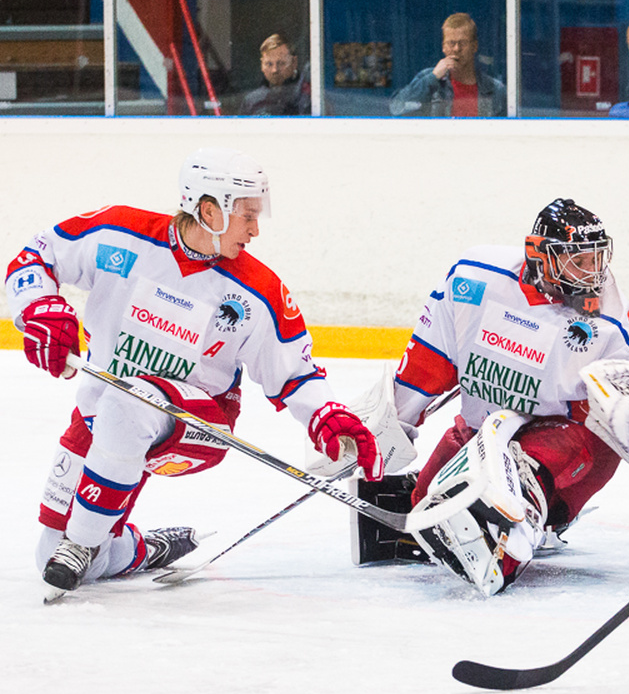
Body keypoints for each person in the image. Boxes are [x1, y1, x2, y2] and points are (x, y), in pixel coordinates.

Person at [5, 147, 382, 598]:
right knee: (48, 551)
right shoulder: (119, 234)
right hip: (102, 413)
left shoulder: (258, 290)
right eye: (246, 216)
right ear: (209, 210)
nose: (256, 230)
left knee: (130, 402)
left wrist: (326, 416)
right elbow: (35, 257)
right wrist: (40, 308)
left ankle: (82, 543)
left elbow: (295, 373)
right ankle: (140, 549)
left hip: (197, 423)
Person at [315, 199, 629, 596]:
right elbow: (430, 361)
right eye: (576, 260)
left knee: (504, 497)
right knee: (428, 505)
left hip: (565, 444)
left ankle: (536, 516)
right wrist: (390, 427)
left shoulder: (610, 316)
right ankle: (468, 503)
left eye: (595, 259)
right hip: (483, 429)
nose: (590, 272)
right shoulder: (476, 276)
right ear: (538, 254)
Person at [389, 13, 505, 117]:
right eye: (451, 43)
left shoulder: (494, 89)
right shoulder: (429, 78)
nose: (456, 49)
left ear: (474, 46)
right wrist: (433, 77)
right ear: (443, 47)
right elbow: (396, 108)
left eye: (463, 43)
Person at [240, 33, 312, 116]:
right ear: (262, 65)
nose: (275, 70)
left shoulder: (307, 98)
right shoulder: (252, 101)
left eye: (281, 63)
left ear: (294, 62)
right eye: (269, 64)